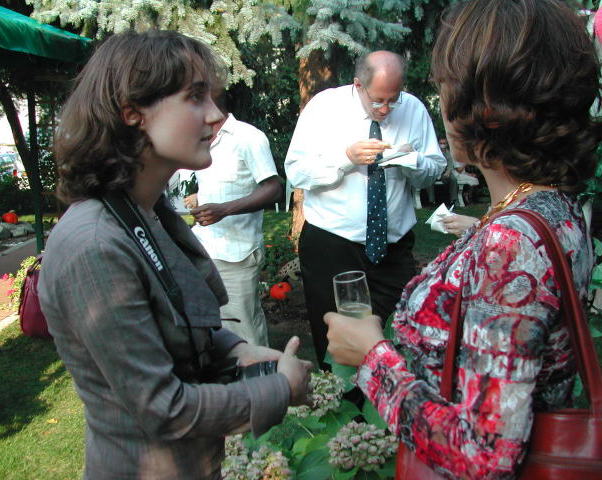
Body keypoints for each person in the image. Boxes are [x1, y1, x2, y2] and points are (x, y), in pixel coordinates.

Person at [324, 0, 600, 478]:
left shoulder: (511, 243)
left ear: (480, 105)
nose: (441, 106)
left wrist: (372, 357)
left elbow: (483, 456)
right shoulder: (554, 206)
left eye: (445, 89)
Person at [38, 31, 311, 480]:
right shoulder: (96, 244)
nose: (215, 114)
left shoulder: (144, 212)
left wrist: (239, 349)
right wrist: (280, 390)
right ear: (132, 112)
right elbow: (163, 408)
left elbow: (177, 324)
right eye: (195, 97)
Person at [284, 51, 446, 369]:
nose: (385, 109)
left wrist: (411, 161)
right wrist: (346, 159)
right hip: (332, 245)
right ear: (358, 85)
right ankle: (342, 399)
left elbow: (434, 169)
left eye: (393, 101)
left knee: (398, 335)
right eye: (377, 101)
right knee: (337, 345)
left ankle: (392, 396)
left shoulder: (414, 108)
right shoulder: (323, 107)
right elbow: (296, 172)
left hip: (393, 248)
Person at [183, 93, 282, 346]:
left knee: (244, 330)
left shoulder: (248, 137)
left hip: (237, 254)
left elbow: (273, 189)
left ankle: (262, 372)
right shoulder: (199, 137)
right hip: (202, 250)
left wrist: (224, 210)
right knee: (211, 329)